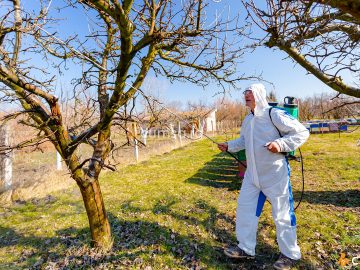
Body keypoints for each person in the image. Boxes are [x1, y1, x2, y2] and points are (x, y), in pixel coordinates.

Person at [218, 83, 309, 270]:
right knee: (245, 211)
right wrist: (229, 145)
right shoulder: (247, 120)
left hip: (275, 175)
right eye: (245, 92)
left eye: (250, 92)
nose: (246, 95)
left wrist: (280, 144)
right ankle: (245, 248)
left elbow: (301, 132)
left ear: (259, 94)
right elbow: (244, 141)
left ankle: (290, 254)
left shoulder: (273, 114)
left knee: (282, 215)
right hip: (252, 177)